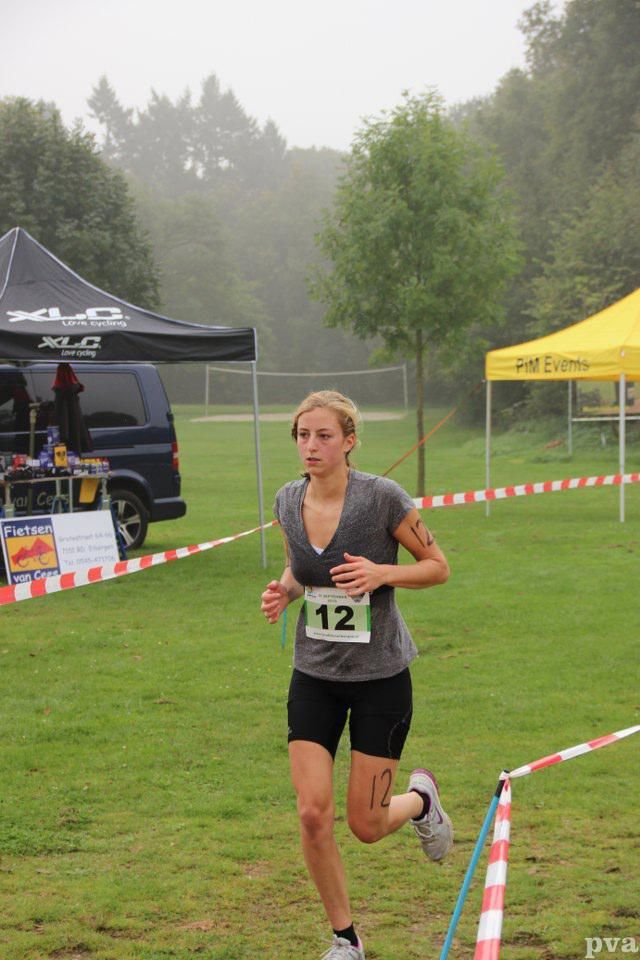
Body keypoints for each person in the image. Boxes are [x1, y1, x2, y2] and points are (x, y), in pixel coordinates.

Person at [260, 391, 452, 960]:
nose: (311, 446)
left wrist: (380, 571)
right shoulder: (287, 499)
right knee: (311, 812)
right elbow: (301, 570)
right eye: (302, 435)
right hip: (314, 674)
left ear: (348, 441)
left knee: (366, 824)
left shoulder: (382, 498)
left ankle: (420, 799)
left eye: (323, 436)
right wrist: (284, 592)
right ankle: (346, 939)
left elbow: (438, 568)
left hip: (380, 679)